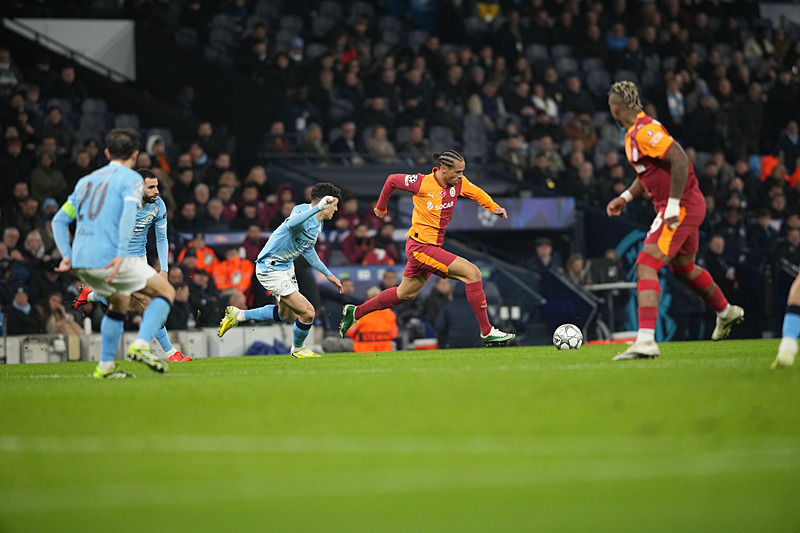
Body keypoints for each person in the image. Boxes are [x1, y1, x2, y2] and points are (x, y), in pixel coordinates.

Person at [604, 81, 744, 360]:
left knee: (645, 266)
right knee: (684, 268)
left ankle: (645, 341)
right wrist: (627, 197)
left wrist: (673, 204)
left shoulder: (646, 131)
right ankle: (726, 311)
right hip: (682, 206)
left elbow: (679, 160)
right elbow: (648, 173)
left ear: (616, 108)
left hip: (680, 207)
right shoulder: (635, 133)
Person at [338, 150, 515, 345]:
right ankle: (487, 331)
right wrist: (381, 208)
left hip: (428, 249)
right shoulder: (422, 182)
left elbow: (477, 193)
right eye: (458, 172)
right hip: (420, 248)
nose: (461, 176)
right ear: (444, 168)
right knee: (473, 273)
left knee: (404, 294)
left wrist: (493, 207)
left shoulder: (459, 183)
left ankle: (355, 312)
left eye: (463, 172)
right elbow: (391, 180)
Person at [52, 128, 176, 379]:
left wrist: (66, 254)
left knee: (121, 303)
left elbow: (59, 220)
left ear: (107, 152)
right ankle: (142, 344)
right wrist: (120, 252)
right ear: (136, 154)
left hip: (81, 260)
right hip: (111, 256)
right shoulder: (131, 180)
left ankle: (105, 367)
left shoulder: (85, 181)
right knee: (165, 292)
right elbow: (129, 215)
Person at [74, 168, 193, 362]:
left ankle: (92, 294)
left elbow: (162, 239)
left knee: (133, 307)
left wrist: (164, 269)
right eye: (151, 187)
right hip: (117, 259)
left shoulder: (158, 205)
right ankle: (171, 353)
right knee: (151, 300)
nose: (157, 191)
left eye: (157, 186)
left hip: (140, 260)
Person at [217, 183, 344, 358]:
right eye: (335, 204)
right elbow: (292, 224)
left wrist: (328, 275)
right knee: (308, 313)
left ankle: (238, 315)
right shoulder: (302, 213)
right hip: (270, 268)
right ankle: (298, 349)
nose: (336, 209)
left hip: (286, 267)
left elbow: (307, 250)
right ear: (326, 203)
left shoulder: (318, 224)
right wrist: (318, 209)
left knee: (287, 315)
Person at [347, 286, 398, 353]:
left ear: (368, 298)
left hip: (363, 351)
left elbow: (350, 332)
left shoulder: (362, 312)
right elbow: (393, 334)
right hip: (384, 351)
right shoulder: (389, 314)